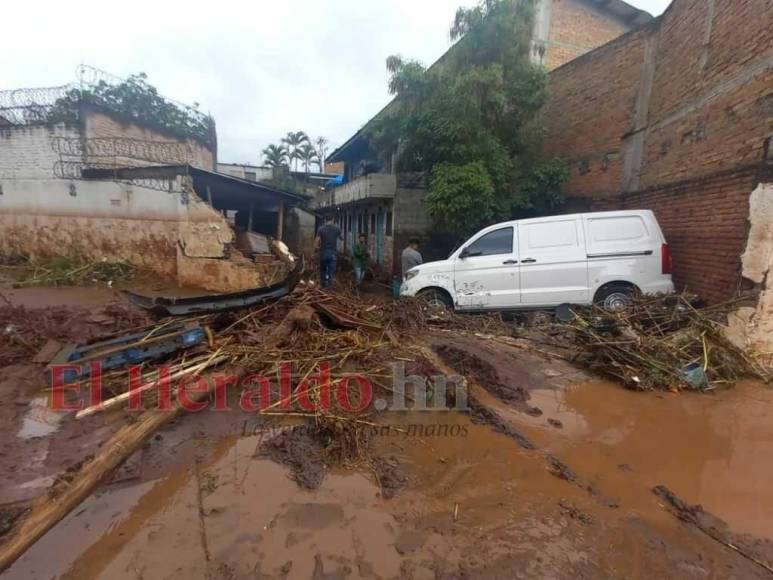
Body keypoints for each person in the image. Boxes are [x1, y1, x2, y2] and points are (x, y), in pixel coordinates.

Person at [315, 216, 341, 288]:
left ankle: (323, 286)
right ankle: (330, 287)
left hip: (323, 253)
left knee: (323, 270)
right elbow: (341, 238)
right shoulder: (337, 229)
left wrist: (316, 249)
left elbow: (317, 241)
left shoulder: (321, 229)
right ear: (332, 219)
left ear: (325, 220)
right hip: (332, 253)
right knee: (331, 271)